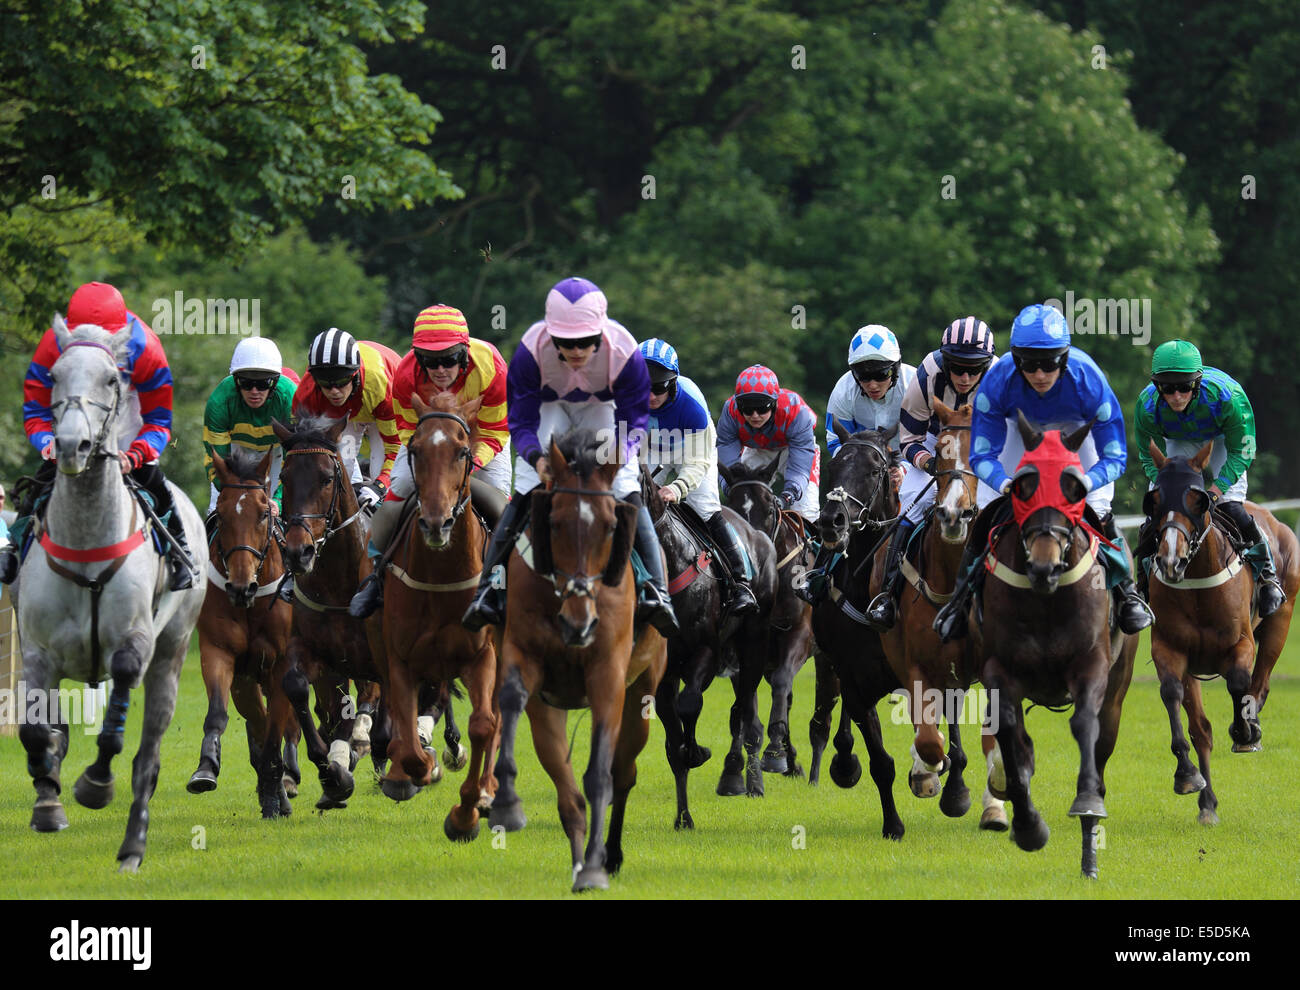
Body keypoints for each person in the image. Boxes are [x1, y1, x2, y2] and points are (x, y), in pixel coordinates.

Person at [462, 276, 678, 636]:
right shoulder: (531, 351)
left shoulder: (623, 351)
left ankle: (657, 589)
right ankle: (487, 590)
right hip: (551, 407)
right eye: (566, 343)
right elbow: (521, 419)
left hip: (602, 407)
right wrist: (536, 458)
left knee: (627, 488)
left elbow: (635, 417)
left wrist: (618, 457)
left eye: (586, 343)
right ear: (551, 335)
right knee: (529, 487)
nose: (576, 352)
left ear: (601, 334)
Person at [933, 303, 1153, 641]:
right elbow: (981, 454)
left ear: (1064, 358)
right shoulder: (998, 382)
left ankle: (1127, 594)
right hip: (1019, 430)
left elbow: (1115, 456)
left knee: (1099, 509)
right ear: (1015, 360)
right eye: (1029, 364)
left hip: (1076, 431)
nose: (1039, 374)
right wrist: (1004, 483)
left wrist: (1088, 481)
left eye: (1049, 363)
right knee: (992, 511)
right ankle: (959, 603)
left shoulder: (1089, 380)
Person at [0, 282, 195, 590]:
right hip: (74, 421)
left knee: (153, 480)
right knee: (41, 480)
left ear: (119, 336)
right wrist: (46, 443)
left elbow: (158, 420)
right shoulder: (54, 343)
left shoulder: (145, 348)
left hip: (129, 420)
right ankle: (14, 547)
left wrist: (135, 455)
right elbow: (35, 412)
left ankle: (180, 551)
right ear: (68, 332)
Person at [348, 303, 511, 618]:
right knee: (395, 496)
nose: (439, 370)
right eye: (430, 361)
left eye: (449, 360)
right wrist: (433, 461)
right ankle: (374, 579)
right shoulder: (406, 374)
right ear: (417, 358)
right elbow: (409, 427)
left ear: (464, 352)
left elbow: (494, 432)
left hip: (480, 442)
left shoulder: (492, 367)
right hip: (429, 444)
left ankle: (503, 586)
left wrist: (466, 466)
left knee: (500, 504)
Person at [865, 317, 1002, 626]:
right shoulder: (928, 372)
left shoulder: (1001, 376)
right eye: (957, 367)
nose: (965, 377)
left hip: (983, 447)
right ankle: (887, 595)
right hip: (936, 440)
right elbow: (909, 439)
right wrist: (930, 464)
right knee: (912, 502)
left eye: (974, 368)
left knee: (1003, 508)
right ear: (945, 359)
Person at [1133, 339, 1285, 615]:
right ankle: (1139, 588)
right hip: (1177, 442)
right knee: (1158, 512)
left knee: (1230, 506)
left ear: (1197, 383)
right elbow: (1148, 454)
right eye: (1167, 388)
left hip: (1222, 441)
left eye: (1184, 387)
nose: (1176, 395)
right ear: (1157, 386)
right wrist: (1167, 486)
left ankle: (1268, 577)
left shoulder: (1228, 397)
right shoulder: (1146, 406)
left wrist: (1216, 490)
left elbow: (1243, 451)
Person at [638, 337, 758, 615]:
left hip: (691, 448)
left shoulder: (691, 405)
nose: (651, 396)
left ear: (673, 382)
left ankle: (741, 583)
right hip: (652, 444)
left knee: (705, 508)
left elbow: (697, 463)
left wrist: (676, 488)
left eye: (659, 387)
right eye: (644, 387)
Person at [280, 328, 401, 601]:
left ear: (355, 374)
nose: (334, 390)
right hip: (346, 417)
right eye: (326, 382)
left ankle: (389, 568)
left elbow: (396, 447)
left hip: (385, 406)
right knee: (337, 476)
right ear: (314, 378)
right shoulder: (306, 395)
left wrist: (381, 486)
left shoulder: (379, 385)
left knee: (398, 488)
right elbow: (307, 462)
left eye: (342, 381)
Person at [799, 325, 911, 605]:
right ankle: (820, 572)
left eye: (880, 374)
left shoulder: (914, 386)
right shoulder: (843, 391)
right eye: (863, 376)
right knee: (839, 508)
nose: (872, 384)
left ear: (895, 369)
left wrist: (906, 468)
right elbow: (836, 445)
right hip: (861, 467)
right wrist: (857, 468)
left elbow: (928, 437)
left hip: (908, 458)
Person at [203, 336, 296, 518]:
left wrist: (278, 500)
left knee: (286, 513)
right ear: (236, 381)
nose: (254, 391)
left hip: (276, 451)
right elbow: (215, 460)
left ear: (275, 382)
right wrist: (233, 492)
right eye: (246, 383)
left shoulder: (290, 397)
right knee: (217, 510)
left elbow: (295, 460)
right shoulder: (219, 401)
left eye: (263, 383)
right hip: (236, 450)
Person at [717, 365, 821, 526]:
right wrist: (730, 484)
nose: (755, 415)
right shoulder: (730, 411)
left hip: (793, 449)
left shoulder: (796, 410)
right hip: (756, 448)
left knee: (806, 511)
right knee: (745, 500)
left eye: (761, 407)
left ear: (774, 403)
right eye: (747, 409)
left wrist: (789, 494)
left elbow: (800, 461)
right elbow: (726, 451)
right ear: (738, 405)